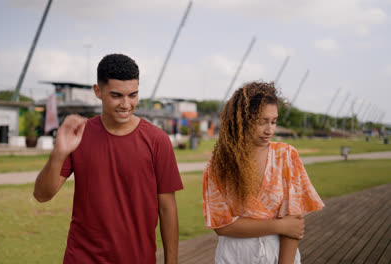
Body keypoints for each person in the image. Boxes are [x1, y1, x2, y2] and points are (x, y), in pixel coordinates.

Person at [33, 54, 183, 263]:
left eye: (133, 95)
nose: (126, 104)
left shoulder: (157, 140)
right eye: (116, 95)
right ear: (98, 91)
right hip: (82, 258)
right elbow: (42, 195)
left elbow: (167, 208)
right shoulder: (79, 135)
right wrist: (58, 154)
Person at [202, 82, 324, 264]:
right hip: (235, 257)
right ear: (241, 121)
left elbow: (294, 223)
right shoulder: (218, 165)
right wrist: (280, 225)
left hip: (279, 256)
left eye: (273, 121)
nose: (270, 130)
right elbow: (222, 226)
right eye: (262, 122)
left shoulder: (286, 156)